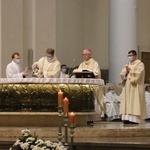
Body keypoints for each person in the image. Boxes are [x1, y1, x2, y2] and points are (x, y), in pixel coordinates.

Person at [120, 50, 146, 124]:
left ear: (135, 56)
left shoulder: (140, 64)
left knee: (134, 101)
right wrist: (126, 72)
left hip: (135, 87)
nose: (129, 57)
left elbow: (139, 75)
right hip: (127, 86)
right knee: (127, 101)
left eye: (130, 56)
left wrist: (130, 71)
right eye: (128, 56)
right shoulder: (128, 64)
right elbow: (122, 73)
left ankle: (134, 119)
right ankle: (126, 118)